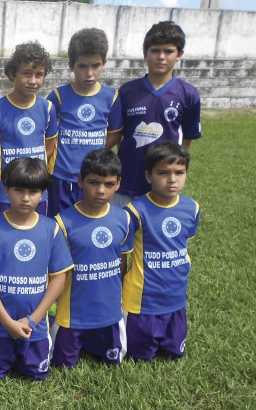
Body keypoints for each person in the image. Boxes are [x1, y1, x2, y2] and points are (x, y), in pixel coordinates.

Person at [0, 157, 73, 381]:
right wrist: (7, 322)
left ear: (42, 193)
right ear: (6, 190)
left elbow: (59, 278)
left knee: (38, 375)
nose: (25, 197)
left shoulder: (51, 230)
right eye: (18, 190)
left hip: (35, 327)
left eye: (33, 191)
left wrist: (33, 320)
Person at [51, 149, 133, 369]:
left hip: (109, 311)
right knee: (62, 365)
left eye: (109, 184)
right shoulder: (62, 222)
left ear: (118, 184)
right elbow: (56, 271)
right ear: (80, 180)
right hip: (72, 313)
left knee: (113, 362)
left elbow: (122, 261)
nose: (100, 190)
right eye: (93, 182)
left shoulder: (124, 219)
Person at [107, 21, 201, 207]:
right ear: (145, 53)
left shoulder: (189, 94)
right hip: (127, 181)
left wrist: (171, 167)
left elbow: (187, 139)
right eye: (155, 50)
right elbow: (118, 133)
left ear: (180, 54)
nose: (161, 57)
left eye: (168, 51)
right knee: (123, 224)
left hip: (163, 185)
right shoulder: (127, 91)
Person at [122, 141, 200, 361]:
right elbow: (122, 254)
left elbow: (183, 246)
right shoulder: (134, 211)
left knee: (175, 354)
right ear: (149, 176)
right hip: (142, 301)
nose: (172, 179)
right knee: (140, 357)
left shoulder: (192, 208)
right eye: (163, 172)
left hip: (176, 297)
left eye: (179, 172)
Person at [45, 28, 123, 218]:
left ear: (104, 63)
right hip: (62, 179)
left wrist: (95, 155)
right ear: (71, 65)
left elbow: (115, 134)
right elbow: (46, 133)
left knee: (90, 223)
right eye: (82, 66)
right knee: (59, 225)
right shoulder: (58, 96)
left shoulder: (111, 97)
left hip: (95, 179)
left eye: (95, 65)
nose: (89, 73)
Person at [0, 41, 57, 218]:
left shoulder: (47, 109)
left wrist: (34, 175)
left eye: (39, 75)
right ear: (12, 73)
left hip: (37, 193)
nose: (33, 81)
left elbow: (49, 148)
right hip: (4, 194)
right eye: (26, 73)